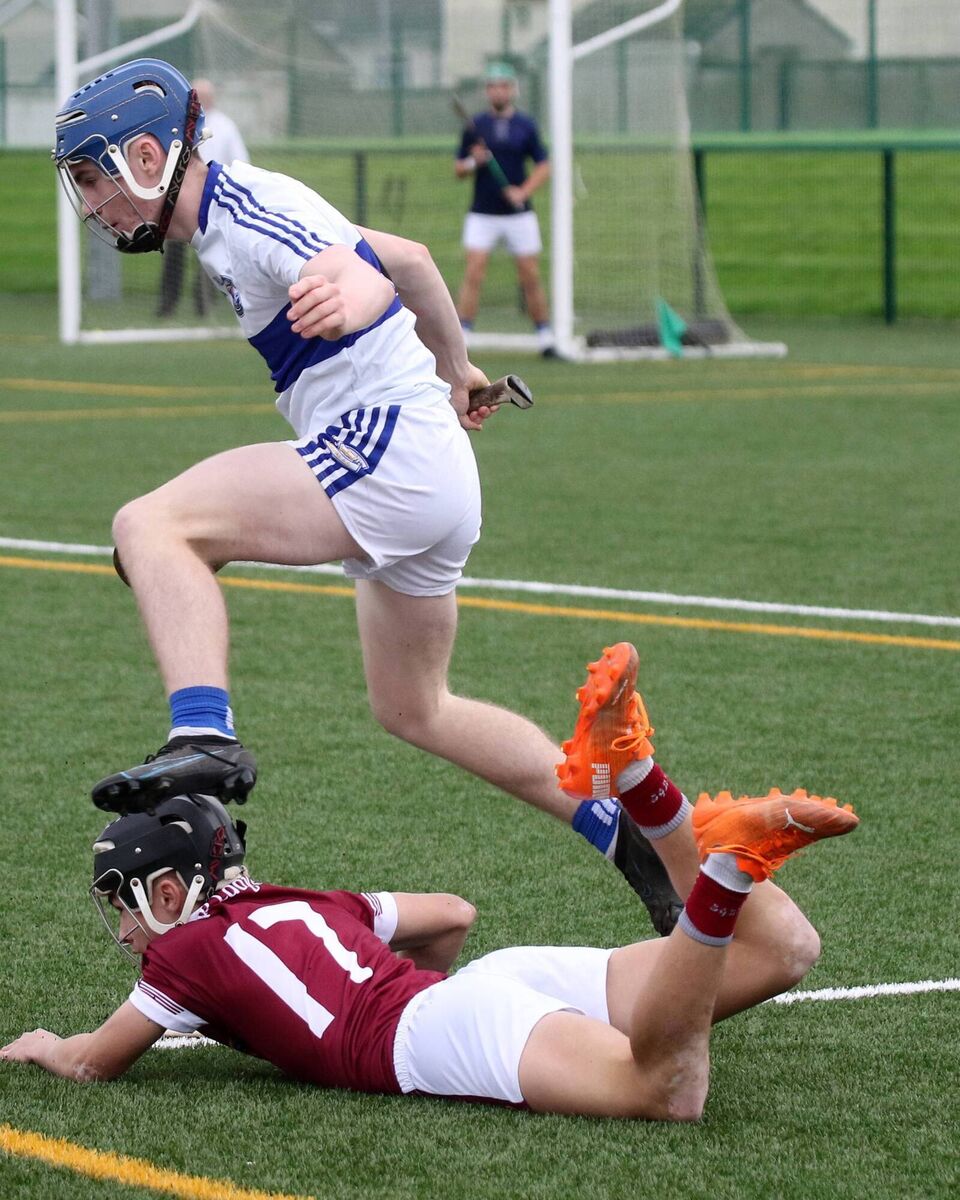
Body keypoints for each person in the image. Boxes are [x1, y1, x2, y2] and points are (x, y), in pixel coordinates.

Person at [52, 57, 681, 938]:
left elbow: (372, 276)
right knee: (414, 706)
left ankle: (203, 733)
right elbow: (416, 260)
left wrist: (353, 292)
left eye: (93, 179)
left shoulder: (248, 210)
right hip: (424, 470)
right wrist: (457, 368)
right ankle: (623, 837)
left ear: (149, 156)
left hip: (387, 454)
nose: (92, 207)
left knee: (150, 526)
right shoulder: (234, 218)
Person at [0, 643, 859, 1118]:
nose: (123, 929)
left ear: (169, 888)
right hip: (484, 987)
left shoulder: (178, 958)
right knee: (785, 949)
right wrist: (430, 994)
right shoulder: (299, 904)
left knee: (664, 1089)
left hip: (444, 1028)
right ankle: (644, 786)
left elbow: (91, 1065)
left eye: (125, 902)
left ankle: (721, 871)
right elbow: (451, 915)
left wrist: (46, 1045)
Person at [454, 62, 556, 357]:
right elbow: (459, 169)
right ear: (487, 91)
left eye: (503, 85)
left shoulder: (526, 125)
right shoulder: (476, 127)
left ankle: (545, 337)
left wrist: (522, 192)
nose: (498, 91)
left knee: (530, 274)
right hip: (482, 213)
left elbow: (543, 166)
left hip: (519, 215)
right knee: (474, 271)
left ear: (512, 90)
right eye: (493, 86)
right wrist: (475, 161)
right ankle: (464, 335)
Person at [157, 77, 249, 317]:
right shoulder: (179, 124)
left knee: (211, 255)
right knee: (174, 255)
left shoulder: (226, 127)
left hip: (213, 203)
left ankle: (204, 305)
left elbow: (240, 161)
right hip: (178, 202)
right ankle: (168, 304)